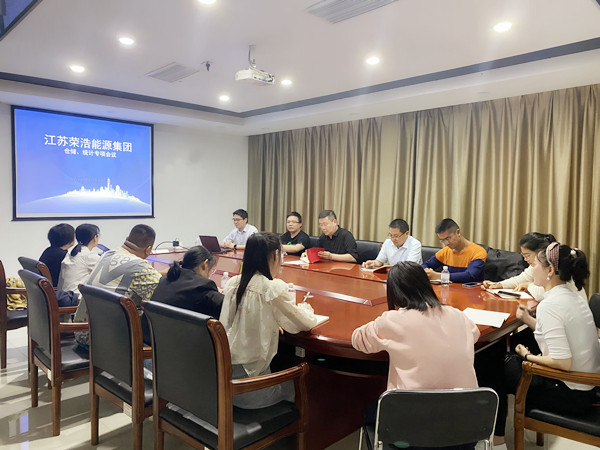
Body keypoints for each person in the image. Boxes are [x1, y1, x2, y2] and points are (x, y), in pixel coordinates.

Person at [490, 243, 600, 448]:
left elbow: (562, 362)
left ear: (550, 270)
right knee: (502, 357)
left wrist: (527, 356)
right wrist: (527, 320)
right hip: (585, 389)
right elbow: (557, 334)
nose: (532, 270)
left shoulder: (551, 304)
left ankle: (497, 442)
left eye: (536, 266)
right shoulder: (571, 295)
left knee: (494, 367)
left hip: (570, 394)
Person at [219, 232, 319, 409]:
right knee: (311, 386)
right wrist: (306, 309)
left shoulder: (233, 283)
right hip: (251, 390)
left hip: (223, 384)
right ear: (275, 255)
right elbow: (304, 323)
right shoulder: (271, 288)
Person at [352, 262, 480, 391]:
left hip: (413, 403)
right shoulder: (457, 314)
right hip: (466, 402)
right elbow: (474, 334)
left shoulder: (392, 320)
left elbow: (358, 340)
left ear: (394, 293)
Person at [74, 224, 162, 348]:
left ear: (127, 239)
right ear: (148, 250)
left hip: (82, 333)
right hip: (107, 344)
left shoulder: (108, 254)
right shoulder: (140, 267)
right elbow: (164, 294)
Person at [422, 218, 486, 282]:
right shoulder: (445, 251)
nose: (446, 243)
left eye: (448, 238)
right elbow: (425, 265)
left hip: (471, 288)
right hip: (448, 287)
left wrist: (439, 276)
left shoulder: (478, 251)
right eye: (442, 240)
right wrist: (426, 271)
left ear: (458, 232)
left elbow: (470, 275)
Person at [57, 224, 101, 297]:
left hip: (63, 296)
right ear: (95, 238)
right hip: (76, 298)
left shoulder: (71, 253)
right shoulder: (89, 256)